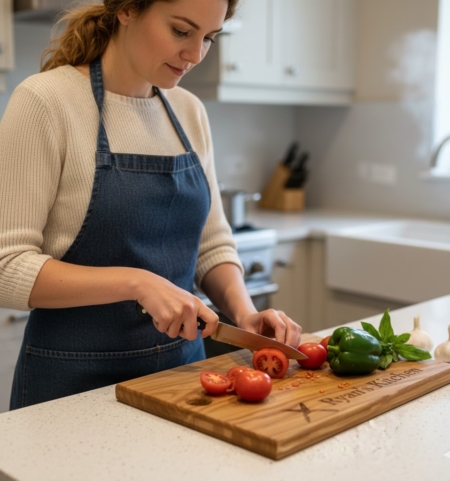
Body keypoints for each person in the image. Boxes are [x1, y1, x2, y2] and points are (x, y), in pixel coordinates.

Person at [0, 0, 302, 410]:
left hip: (182, 380)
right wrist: (137, 282)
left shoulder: (189, 111)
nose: (195, 55)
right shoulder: (46, 102)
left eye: (209, 38)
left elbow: (212, 243)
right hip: (71, 386)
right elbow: (7, 266)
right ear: (126, 9)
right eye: (181, 31)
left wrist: (244, 313)